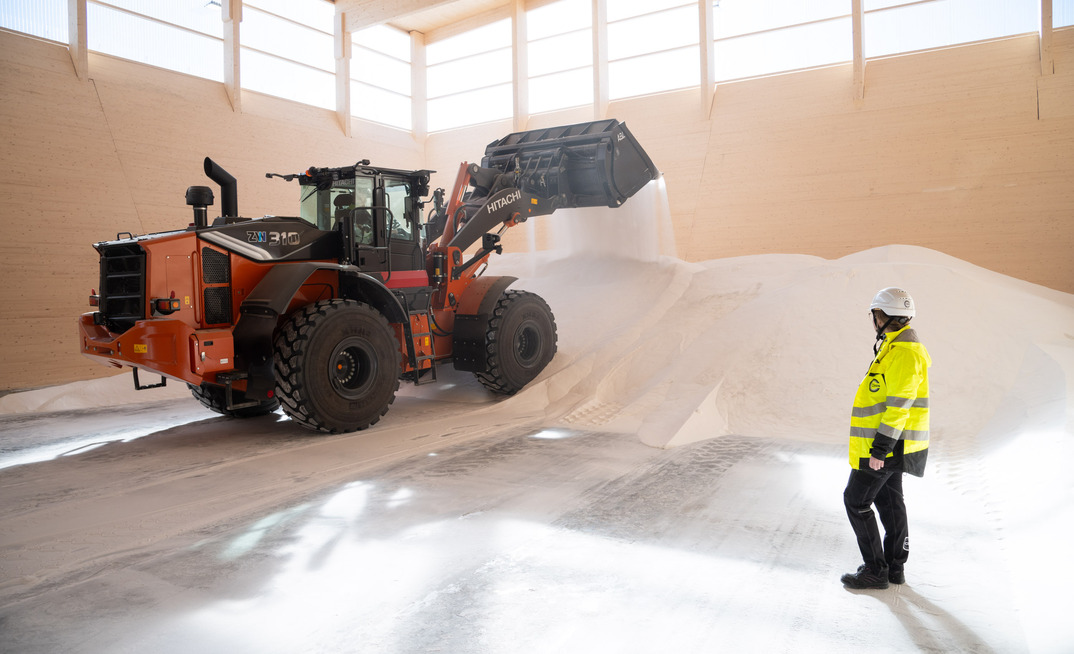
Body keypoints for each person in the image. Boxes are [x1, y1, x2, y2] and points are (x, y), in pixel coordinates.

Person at [841, 287, 931, 590]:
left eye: (874, 314)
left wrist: (880, 449)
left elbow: (899, 406)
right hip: (892, 443)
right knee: (890, 501)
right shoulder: (894, 348)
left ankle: (875, 570)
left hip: (887, 444)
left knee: (856, 501)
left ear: (883, 316)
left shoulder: (904, 353)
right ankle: (894, 568)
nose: (873, 319)